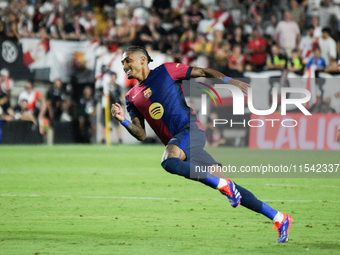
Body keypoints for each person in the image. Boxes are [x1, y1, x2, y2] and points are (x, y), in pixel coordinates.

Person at [111, 46, 293, 243]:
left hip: (190, 130)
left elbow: (203, 72)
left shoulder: (167, 71)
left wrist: (228, 80)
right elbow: (141, 134)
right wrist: (123, 120)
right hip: (183, 145)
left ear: (142, 60)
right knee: (233, 188)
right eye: (122, 63)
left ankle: (222, 185)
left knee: (169, 162)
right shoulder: (131, 97)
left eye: (128, 60)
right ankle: (279, 218)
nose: (125, 66)